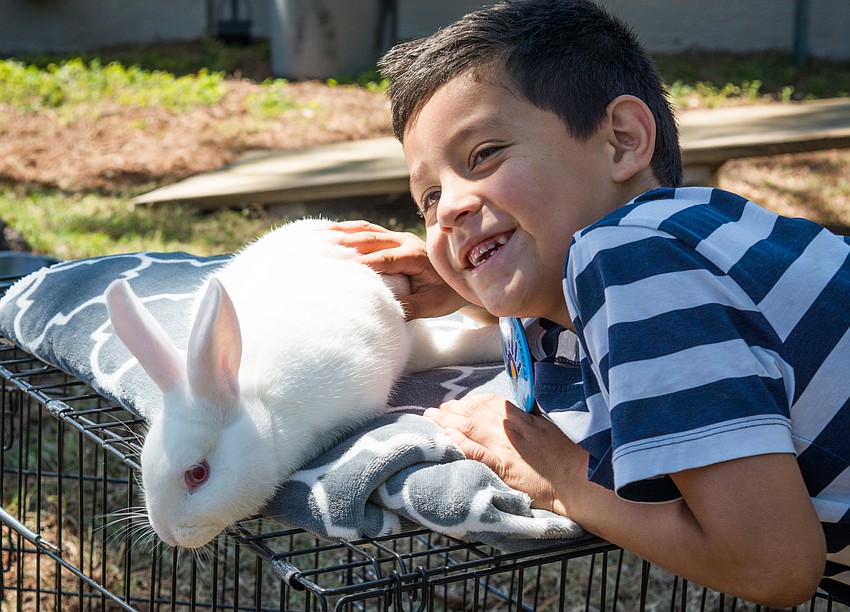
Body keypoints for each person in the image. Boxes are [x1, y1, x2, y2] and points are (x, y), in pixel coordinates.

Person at [331, 0, 850, 605]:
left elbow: (773, 565)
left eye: (484, 155)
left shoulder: (630, 261)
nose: (448, 210)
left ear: (622, 141)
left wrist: (564, 482)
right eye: (429, 197)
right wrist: (473, 287)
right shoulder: (680, 235)